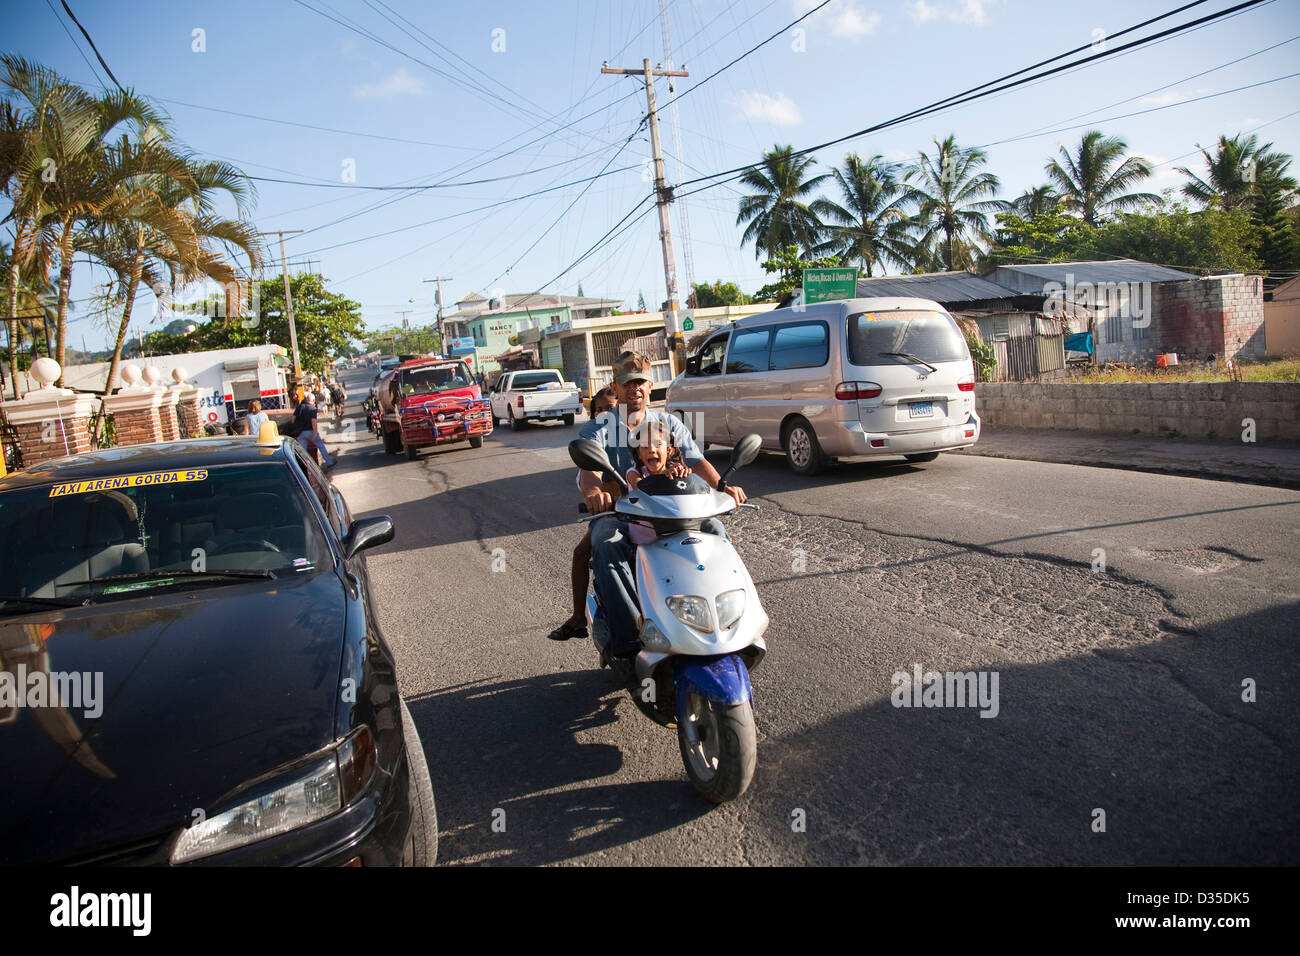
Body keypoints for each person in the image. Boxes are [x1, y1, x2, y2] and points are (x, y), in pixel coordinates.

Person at [572, 352, 745, 657]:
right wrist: (595, 493)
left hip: (673, 512)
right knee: (605, 540)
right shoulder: (600, 428)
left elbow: (696, 459)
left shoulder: (668, 423)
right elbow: (590, 471)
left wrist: (722, 487)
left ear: (651, 385)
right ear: (615, 386)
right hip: (623, 516)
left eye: (640, 382)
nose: (634, 388)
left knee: (714, 528)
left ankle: (729, 619)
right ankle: (628, 639)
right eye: (627, 383)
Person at [549, 387, 617, 642]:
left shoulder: (638, 436)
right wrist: (597, 495)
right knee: (581, 553)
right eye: (598, 410)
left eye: (610, 409)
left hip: (648, 514)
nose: (603, 415)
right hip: (610, 516)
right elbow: (588, 479)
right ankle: (579, 618)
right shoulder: (593, 444)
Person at [293, 393, 335, 469]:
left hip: (301, 433)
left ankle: (303, 467)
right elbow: (313, 421)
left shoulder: (299, 407)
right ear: (312, 400)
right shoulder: (312, 409)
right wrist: (315, 433)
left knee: (303, 452)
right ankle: (329, 462)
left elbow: (293, 420)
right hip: (311, 431)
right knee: (321, 446)